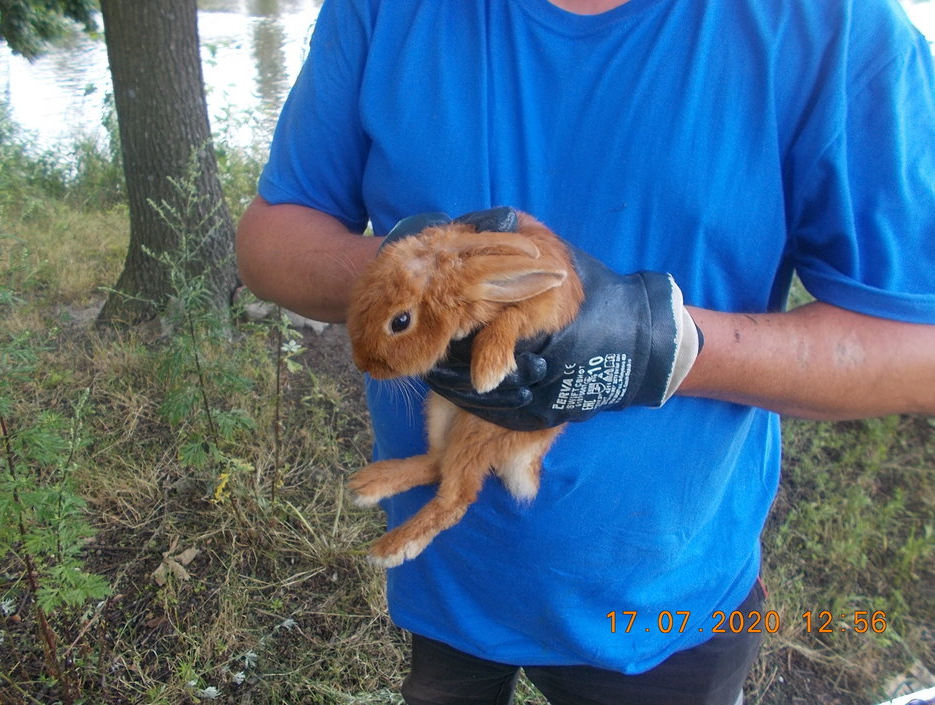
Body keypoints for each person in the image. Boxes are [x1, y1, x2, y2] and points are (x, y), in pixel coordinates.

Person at [236, 0, 935, 703]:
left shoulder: (835, 29)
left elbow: (916, 348)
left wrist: (660, 343)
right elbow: (269, 241)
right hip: (450, 580)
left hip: (669, 603)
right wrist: (420, 272)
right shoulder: (382, 10)